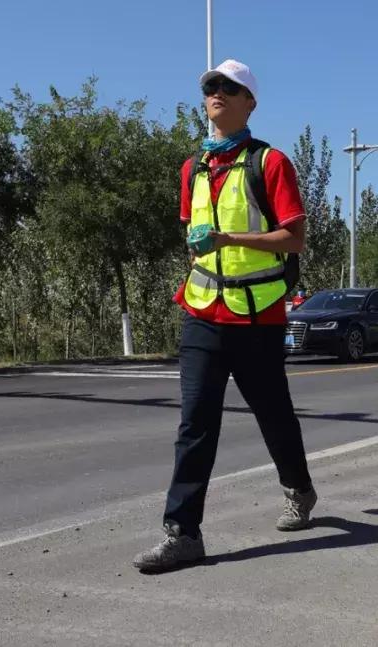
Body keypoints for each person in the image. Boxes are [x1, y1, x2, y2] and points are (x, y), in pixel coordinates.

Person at [133, 59, 317, 574]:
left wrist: (229, 240)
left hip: (257, 316)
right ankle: (182, 533)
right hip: (202, 312)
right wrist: (205, 252)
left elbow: (294, 237)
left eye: (228, 88)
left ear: (249, 101)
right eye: (210, 87)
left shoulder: (271, 162)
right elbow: (194, 236)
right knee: (195, 425)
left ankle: (298, 489)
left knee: (274, 416)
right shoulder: (192, 167)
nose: (216, 93)